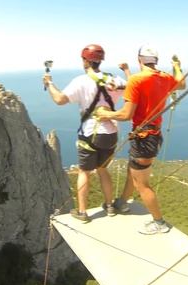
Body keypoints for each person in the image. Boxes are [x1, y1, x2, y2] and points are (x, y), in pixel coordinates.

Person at [96, 45, 186, 234]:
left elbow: (126, 114)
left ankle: (159, 222)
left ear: (140, 60)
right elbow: (181, 83)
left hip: (144, 138)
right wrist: (177, 66)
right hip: (152, 135)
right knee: (133, 171)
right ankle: (122, 203)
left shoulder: (137, 79)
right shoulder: (163, 77)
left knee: (142, 184)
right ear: (155, 61)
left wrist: (106, 114)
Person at [43, 44, 126, 222]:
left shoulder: (81, 81)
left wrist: (49, 84)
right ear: (100, 60)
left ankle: (82, 212)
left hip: (90, 133)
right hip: (110, 133)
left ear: (85, 60)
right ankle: (110, 206)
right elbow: (132, 89)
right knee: (103, 169)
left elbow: (59, 99)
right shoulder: (115, 80)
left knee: (84, 172)